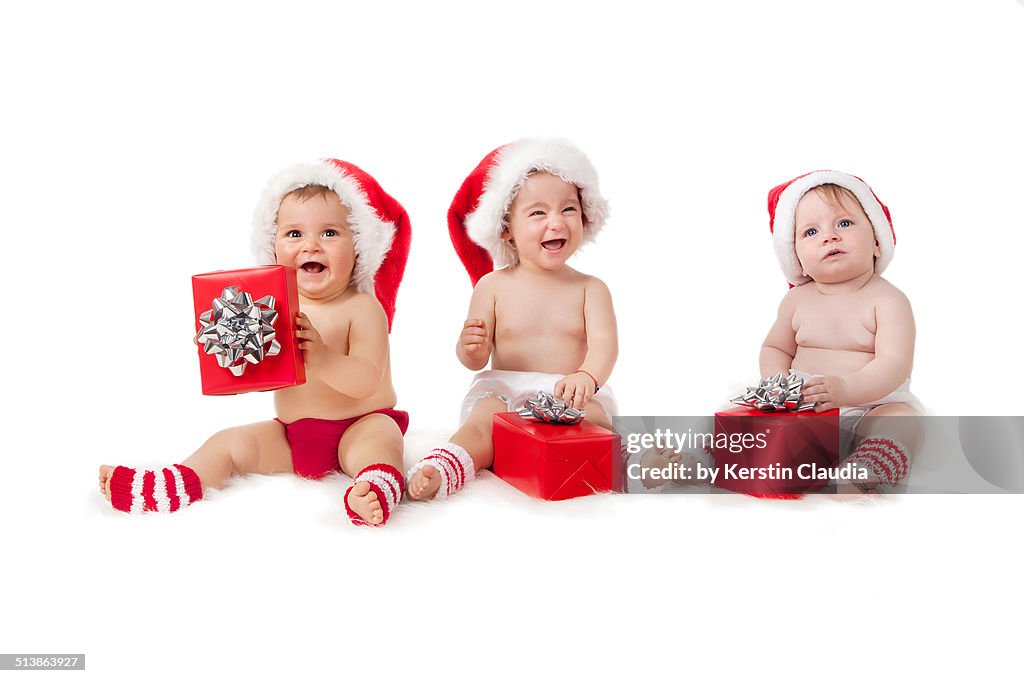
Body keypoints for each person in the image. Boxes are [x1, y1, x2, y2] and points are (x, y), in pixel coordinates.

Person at [98, 159, 412, 525]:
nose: (311, 245)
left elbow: (366, 379)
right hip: (293, 434)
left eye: (329, 233)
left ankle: (374, 487)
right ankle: (176, 482)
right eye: (294, 234)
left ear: (359, 246)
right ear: (272, 246)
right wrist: (227, 355)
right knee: (228, 443)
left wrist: (323, 357)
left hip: (359, 424)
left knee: (381, 443)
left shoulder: (361, 308)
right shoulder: (271, 306)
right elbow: (261, 369)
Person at [406, 138, 618, 500]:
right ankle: (443, 467)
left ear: (584, 216)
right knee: (483, 422)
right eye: (538, 213)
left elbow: (605, 344)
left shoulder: (590, 288)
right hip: (503, 390)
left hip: (567, 390)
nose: (556, 222)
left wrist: (587, 376)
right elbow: (475, 357)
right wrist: (469, 348)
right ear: (506, 228)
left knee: (597, 422)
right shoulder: (492, 286)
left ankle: (611, 461)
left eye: (568, 209)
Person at [760, 170, 923, 490]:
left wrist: (847, 391)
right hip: (805, 407)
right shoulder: (795, 301)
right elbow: (775, 348)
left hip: (870, 405)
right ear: (798, 261)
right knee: (755, 421)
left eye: (844, 224)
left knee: (902, 420)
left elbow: (893, 363)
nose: (829, 236)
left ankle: (865, 469)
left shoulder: (888, 300)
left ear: (877, 242)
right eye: (810, 231)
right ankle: (705, 461)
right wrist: (777, 383)